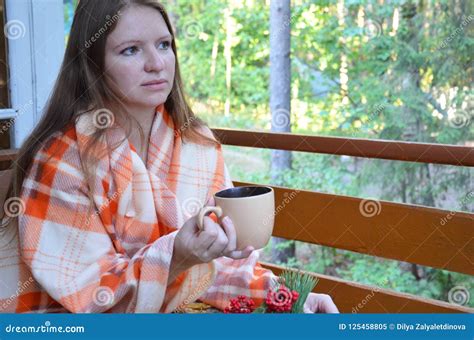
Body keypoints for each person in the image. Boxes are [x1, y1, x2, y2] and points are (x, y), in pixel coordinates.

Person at [0, 0, 338, 313]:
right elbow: (94, 299)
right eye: (131, 50)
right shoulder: (64, 161)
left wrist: (288, 297)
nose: (157, 63)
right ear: (93, 64)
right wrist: (177, 256)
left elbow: (219, 266)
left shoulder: (197, 145)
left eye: (164, 45)